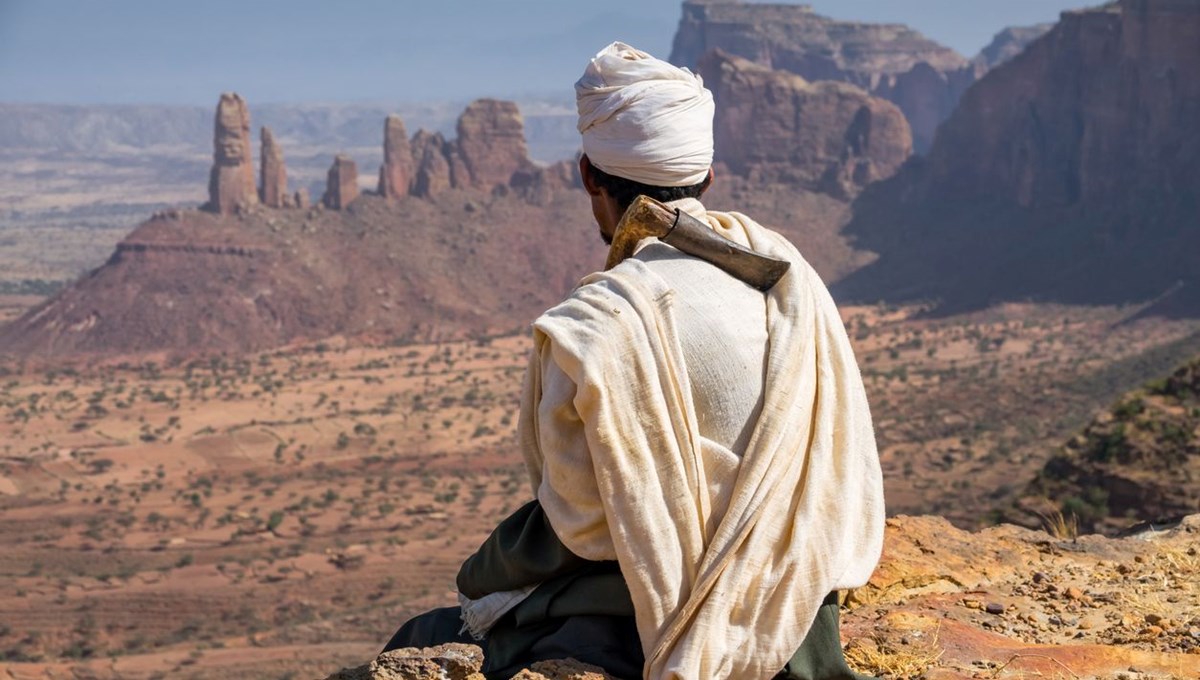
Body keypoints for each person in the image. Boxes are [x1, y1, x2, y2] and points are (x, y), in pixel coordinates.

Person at [383, 42, 885, 680]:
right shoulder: (788, 275)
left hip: (666, 594)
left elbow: (586, 526)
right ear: (706, 177)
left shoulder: (592, 325)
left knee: (433, 628)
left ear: (588, 175)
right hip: (804, 582)